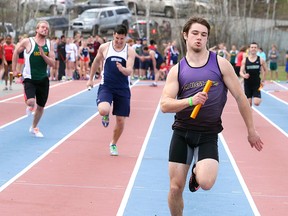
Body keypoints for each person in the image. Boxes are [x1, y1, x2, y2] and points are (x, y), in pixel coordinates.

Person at [160, 17, 264, 215]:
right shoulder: (178, 70)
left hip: (208, 133)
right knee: (175, 188)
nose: (199, 38)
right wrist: (190, 101)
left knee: (206, 182)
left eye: (204, 34)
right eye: (195, 33)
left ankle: (197, 173)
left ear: (207, 38)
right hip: (182, 132)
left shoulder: (221, 64)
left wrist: (251, 130)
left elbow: (241, 98)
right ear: (185, 35)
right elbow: (165, 105)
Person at [87, 25, 136, 156]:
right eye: (117, 38)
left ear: (125, 37)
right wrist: (91, 79)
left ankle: (113, 143)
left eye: (122, 38)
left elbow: (130, 70)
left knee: (120, 121)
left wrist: (123, 70)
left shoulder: (129, 51)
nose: (119, 41)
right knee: (103, 109)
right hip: (107, 86)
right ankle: (105, 114)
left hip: (123, 88)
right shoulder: (105, 47)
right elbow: (96, 62)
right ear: (113, 35)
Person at [12, 20, 55, 137]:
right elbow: (15, 52)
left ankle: (34, 127)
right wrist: (15, 69)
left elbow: (52, 63)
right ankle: (30, 105)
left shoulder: (49, 44)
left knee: (41, 107)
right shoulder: (28, 41)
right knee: (31, 102)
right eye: (43, 27)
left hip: (43, 79)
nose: (45, 29)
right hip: (29, 78)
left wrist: (43, 55)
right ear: (37, 29)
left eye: (47, 28)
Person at [240, 42, 267, 107]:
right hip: (247, 84)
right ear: (249, 49)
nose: (253, 49)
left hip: (257, 84)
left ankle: (259, 98)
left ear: (257, 49)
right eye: (252, 47)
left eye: (255, 47)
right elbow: (241, 72)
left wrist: (263, 81)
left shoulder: (260, 60)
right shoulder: (245, 60)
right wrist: (244, 75)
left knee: (256, 103)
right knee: (248, 104)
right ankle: (250, 117)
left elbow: (265, 70)